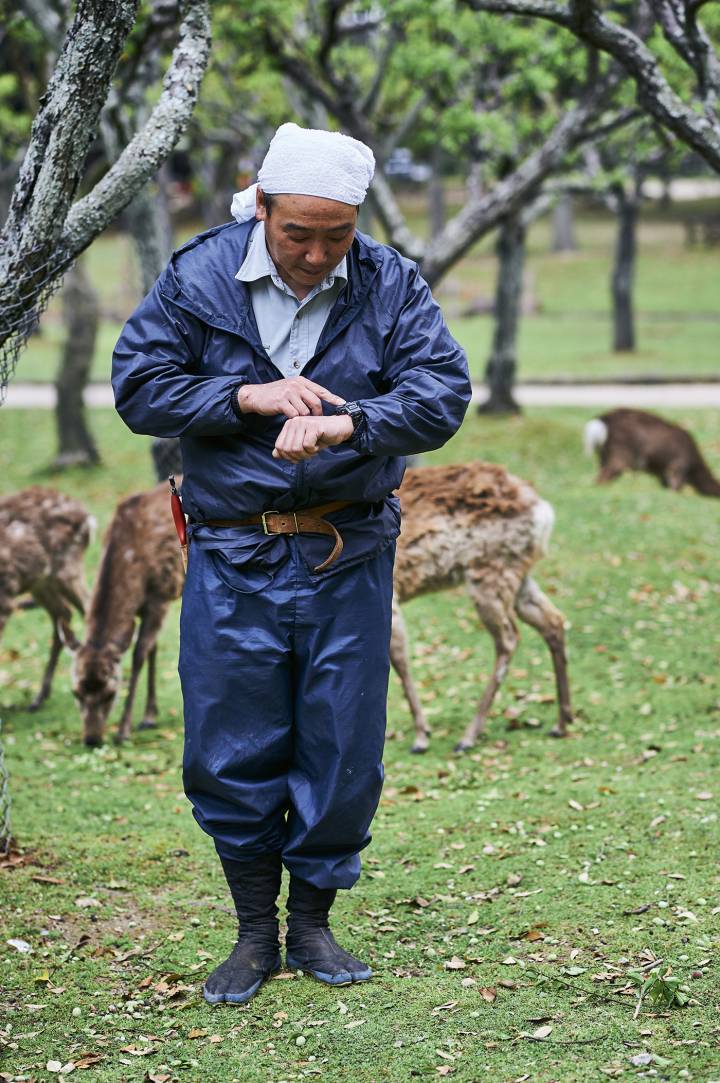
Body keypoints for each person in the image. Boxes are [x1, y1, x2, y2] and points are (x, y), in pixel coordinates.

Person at [112, 123, 471, 1005]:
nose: (315, 254)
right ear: (259, 206)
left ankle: (311, 922)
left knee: (343, 741)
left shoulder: (389, 284)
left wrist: (355, 422)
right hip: (234, 549)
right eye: (296, 233)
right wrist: (242, 395)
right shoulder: (198, 278)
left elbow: (442, 391)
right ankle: (250, 933)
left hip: (349, 550)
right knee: (233, 740)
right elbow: (139, 386)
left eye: (335, 235)